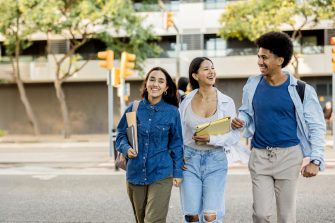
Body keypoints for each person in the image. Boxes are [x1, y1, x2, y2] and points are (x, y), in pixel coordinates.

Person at [231, 31, 326, 223]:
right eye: (258, 56)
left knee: (285, 216)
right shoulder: (253, 83)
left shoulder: (302, 89)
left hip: (289, 156)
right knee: (260, 214)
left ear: (280, 60)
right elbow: (247, 112)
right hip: (259, 156)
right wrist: (240, 120)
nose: (259, 61)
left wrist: (315, 161)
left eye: (264, 57)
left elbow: (316, 126)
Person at [179, 57, 249, 223]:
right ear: (195, 76)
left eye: (212, 68)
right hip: (189, 161)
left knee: (211, 216)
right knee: (191, 215)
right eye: (206, 69)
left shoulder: (226, 102)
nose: (211, 72)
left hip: (215, 160)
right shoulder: (185, 101)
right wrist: (177, 156)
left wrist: (212, 138)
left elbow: (233, 136)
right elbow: (179, 134)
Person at [116, 67, 184, 223]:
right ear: (146, 83)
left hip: (161, 173)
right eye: (152, 79)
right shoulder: (133, 108)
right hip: (135, 174)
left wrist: (178, 172)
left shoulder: (172, 112)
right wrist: (127, 149)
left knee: (153, 220)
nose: (155, 84)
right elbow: (120, 135)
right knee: (141, 220)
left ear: (166, 88)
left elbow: (177, 144)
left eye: (161, 81)